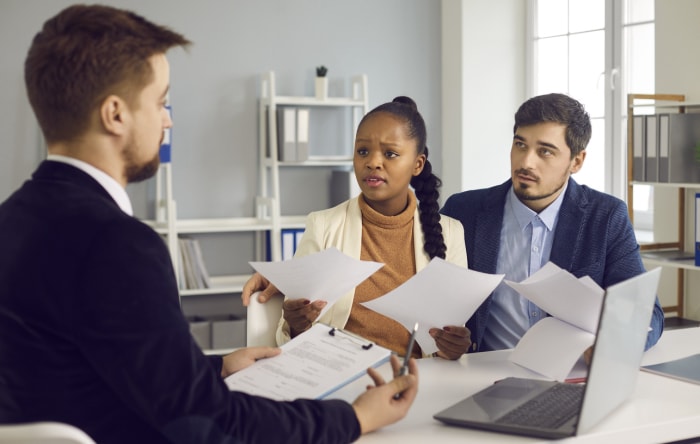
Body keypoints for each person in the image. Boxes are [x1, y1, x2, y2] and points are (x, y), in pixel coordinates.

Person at [0, 5, 418, 444]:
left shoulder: (13, 221)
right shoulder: (118, 245)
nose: (168, 119)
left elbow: (88, 364)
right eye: (161, 102)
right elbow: (212, 423)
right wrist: (353, 419)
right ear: (115, 114)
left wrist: (214, 367)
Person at [242, 97, 470, 360]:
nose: (373, 162)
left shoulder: (451, 233)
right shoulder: (323, 225)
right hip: (338, 376)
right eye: (363, 151)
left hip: (416, 379)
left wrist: (453, 346)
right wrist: (297, 324)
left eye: (390, 154)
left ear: (417, 164)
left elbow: (450, 340)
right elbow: (290, 337)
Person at [440, 92, 665, 353]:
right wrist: (449, 340)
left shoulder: (606, 217)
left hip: (568, 377)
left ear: (576, 161)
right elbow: (434, 303)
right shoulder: (464, 211)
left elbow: (648, 315)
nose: (526, 162)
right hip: (480, 376)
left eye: (545, 151)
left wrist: (612, 347)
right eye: (520, 145)